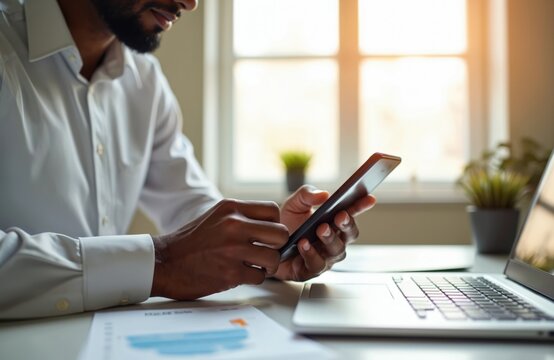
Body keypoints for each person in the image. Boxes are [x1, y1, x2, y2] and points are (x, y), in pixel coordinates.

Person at [0, 0, 375, 319]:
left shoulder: (143, 80)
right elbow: (175, 253)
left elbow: (189, 205)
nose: (191, 2)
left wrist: (273, 242)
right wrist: (158, 263)